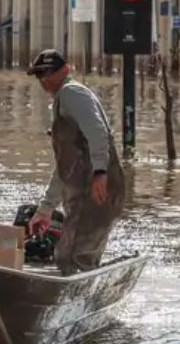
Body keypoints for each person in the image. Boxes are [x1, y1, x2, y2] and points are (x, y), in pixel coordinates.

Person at [25, 48, 126, 275]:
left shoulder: (72, 93)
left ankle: (75, 303)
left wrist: (100, 172)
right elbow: (64, 167)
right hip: (82, 197)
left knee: (72, 257)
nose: (44, 80)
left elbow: (98, 132)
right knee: (73, 254)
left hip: (97, 192)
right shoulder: (63, 101)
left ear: (66, 70)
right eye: (40, 75)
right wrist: (46, 208)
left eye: (49, 73)